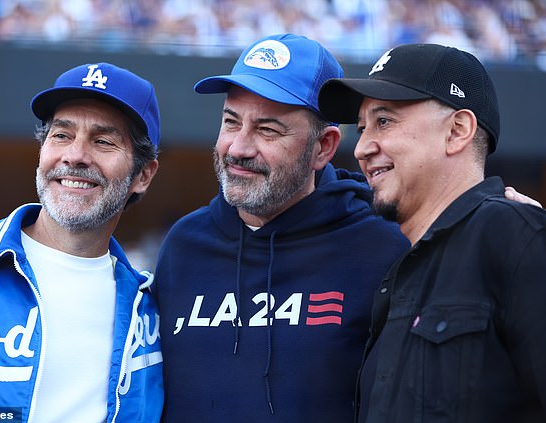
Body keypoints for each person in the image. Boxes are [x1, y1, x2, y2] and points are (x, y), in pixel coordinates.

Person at [154, 33, 410, 422]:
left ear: (323, 147)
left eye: (267, 130)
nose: (238, 148)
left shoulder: (382, 246)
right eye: (230, 122)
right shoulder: (184, 245)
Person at [318, 43, 546, 422]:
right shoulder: (400, 272)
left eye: (384, 121)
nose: (362, 148)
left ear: (457, 131)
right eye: (362, 128)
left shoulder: (518, 235)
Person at [0, 63, 164, 422]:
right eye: (61, 135)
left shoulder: (152, 313)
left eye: (102, 141)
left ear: (142, 175)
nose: (75, 155)